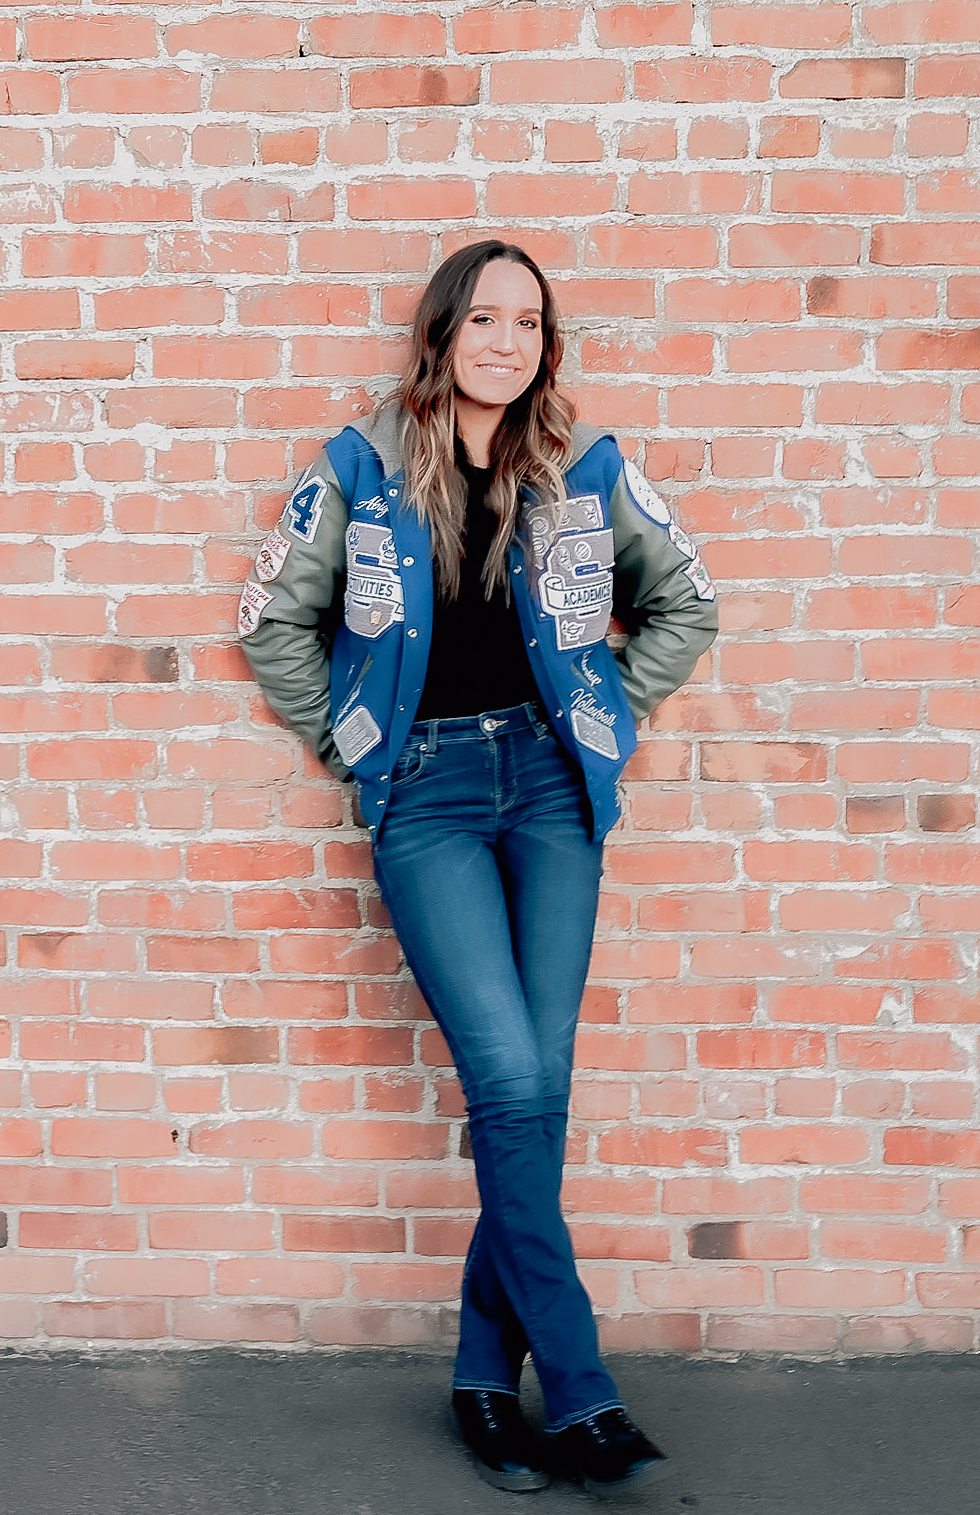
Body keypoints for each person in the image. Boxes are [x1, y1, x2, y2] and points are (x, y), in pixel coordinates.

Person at [238, 239, 718, 1497]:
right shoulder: (360, 468)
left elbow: (688, 605)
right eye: (486, 319)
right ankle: (582, 1388)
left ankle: (476, 1381)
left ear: (545, 344)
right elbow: (272, 622)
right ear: (443, 331)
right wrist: (361, 753)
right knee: (511, 1081)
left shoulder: (586, 471)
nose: (508, 342)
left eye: (530, 323)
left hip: (554, 794)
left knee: (535, 1093)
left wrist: (611, 711)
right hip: (432, 800)